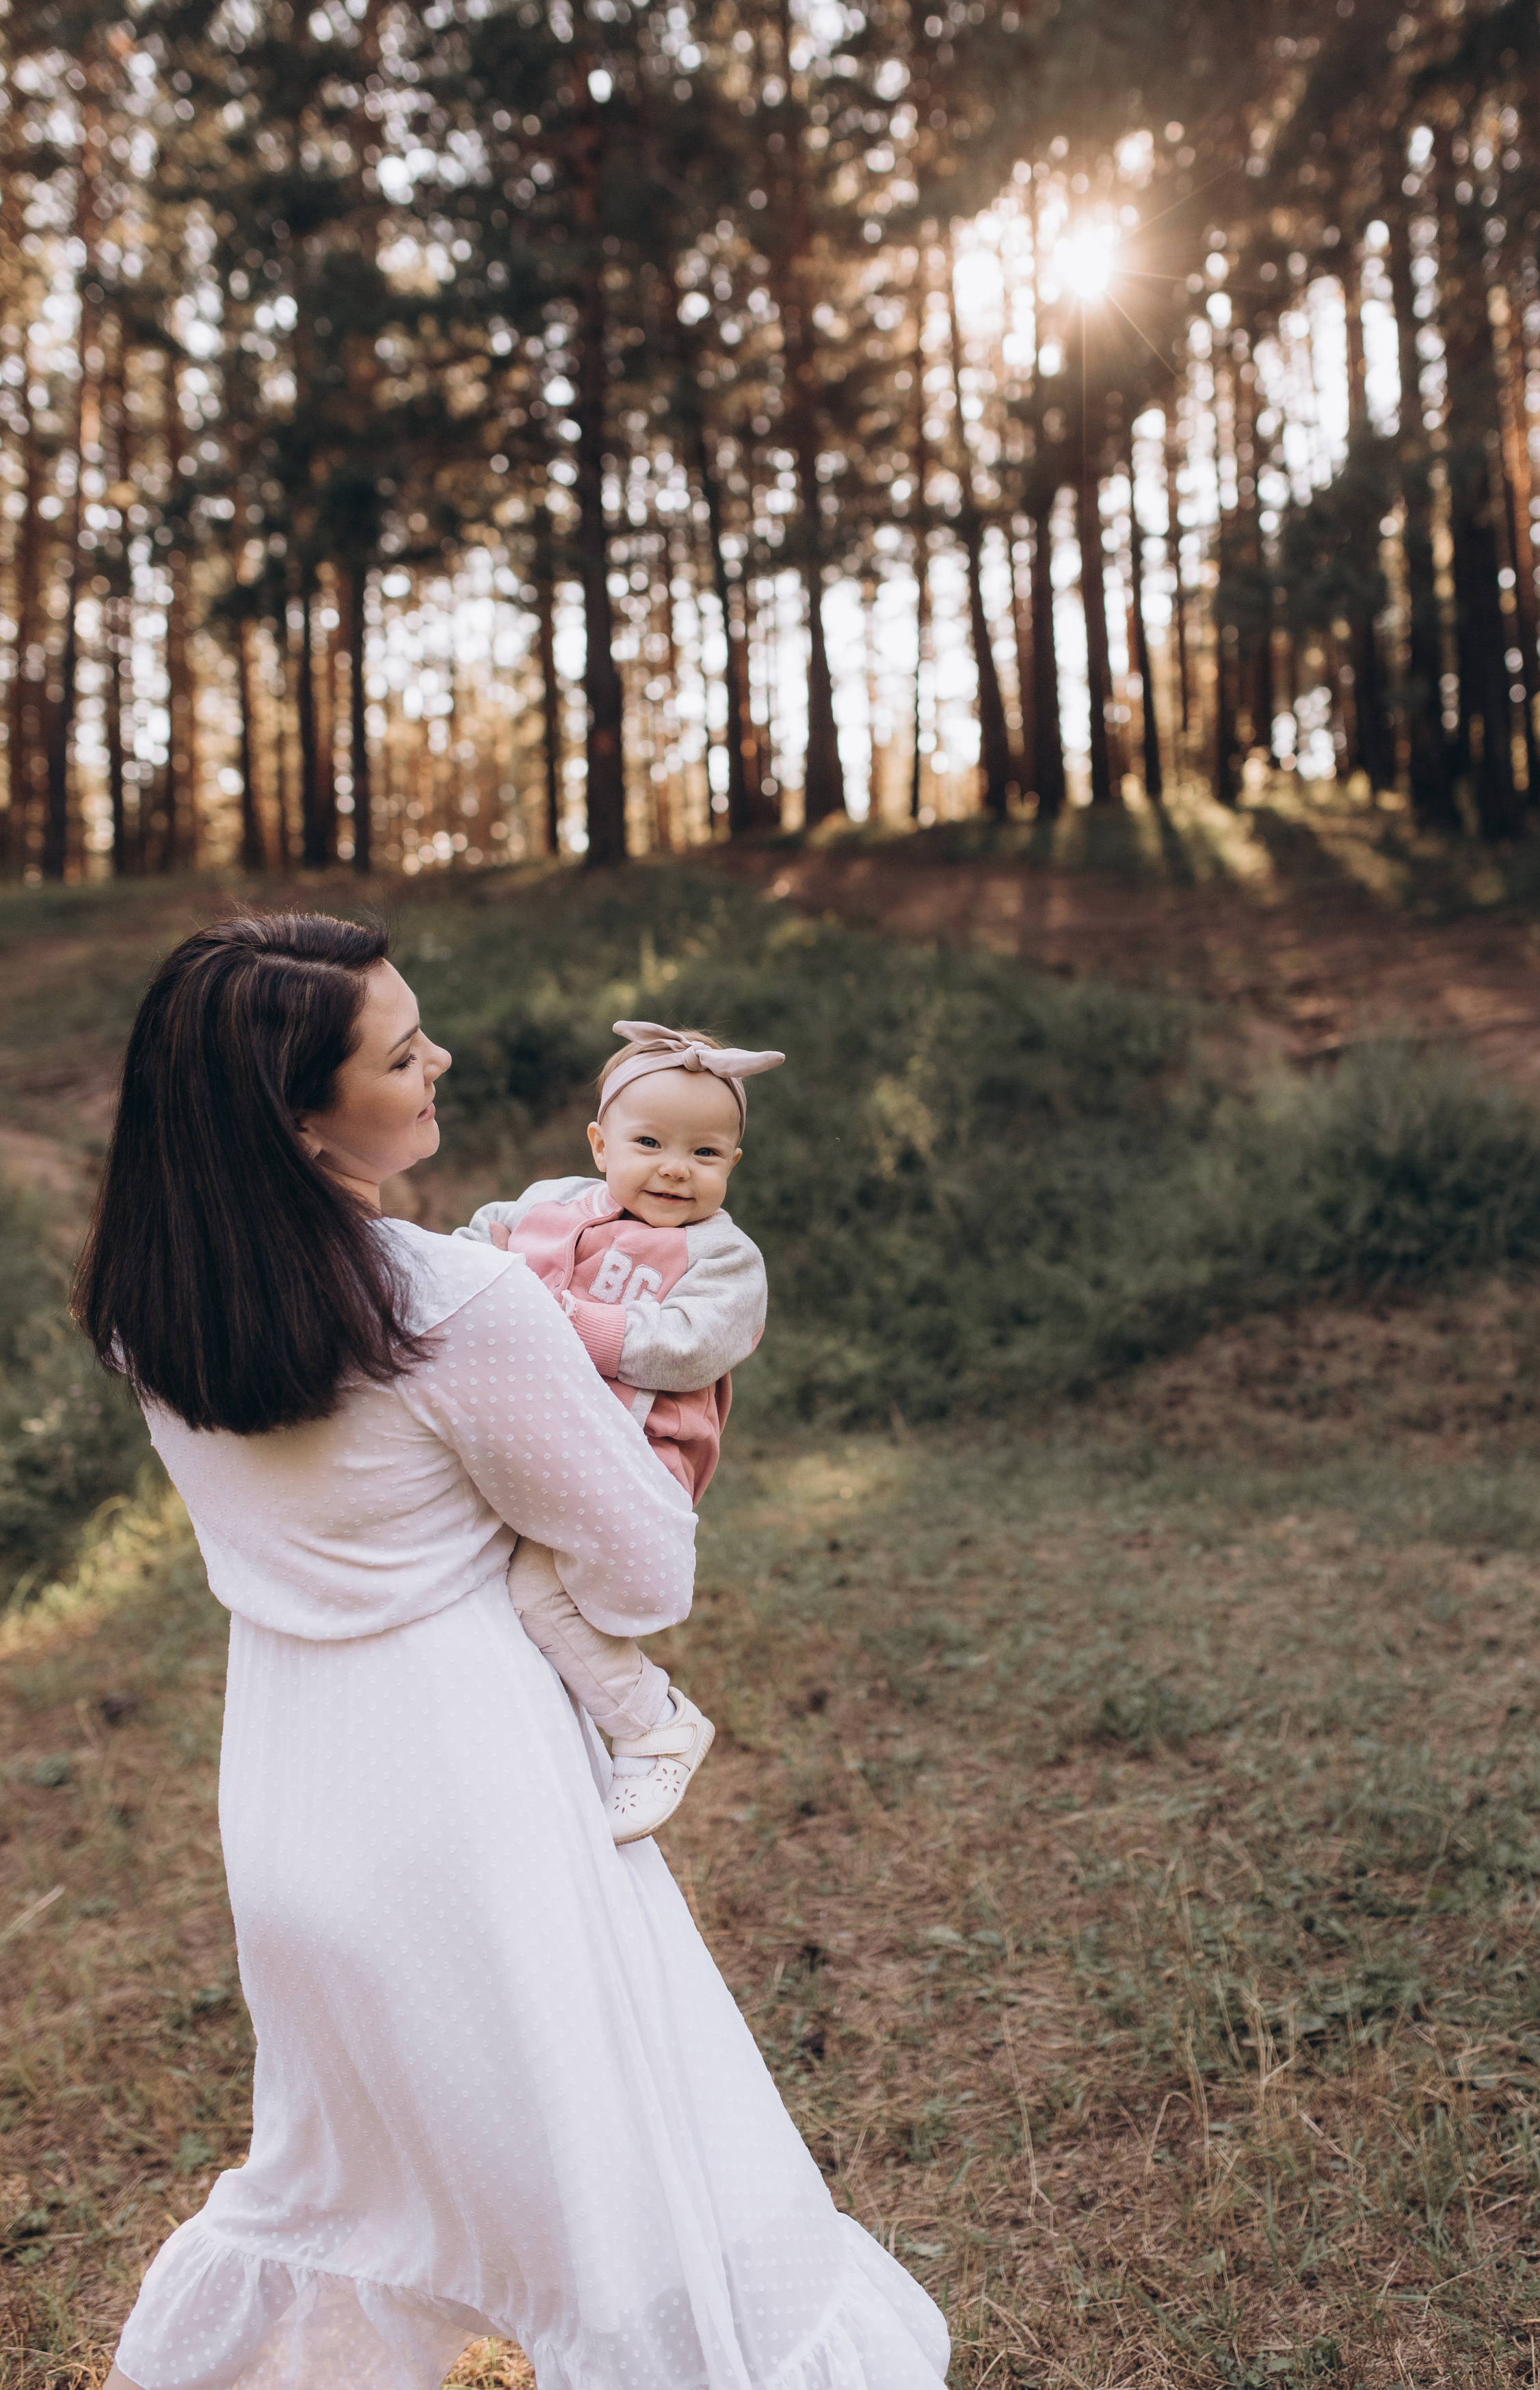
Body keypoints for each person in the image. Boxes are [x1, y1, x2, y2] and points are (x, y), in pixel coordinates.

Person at [73, 912, 949, 2390]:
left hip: (289, 1784)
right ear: (297, 1114)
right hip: (473, 1781)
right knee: (603, 2179)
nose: (442, 1059)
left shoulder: (151, 1307)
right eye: (403, 1050)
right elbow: (641, 1565)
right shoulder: (455, 1302)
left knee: (343, 2158)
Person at [457, 1020, 784, 1846]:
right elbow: (462, 1264)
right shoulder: (539, 1208)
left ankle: (654, 1723)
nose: (677, 1167)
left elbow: (689, 1345)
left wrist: (562, 1320)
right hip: (527, 1444)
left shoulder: (721, 1257)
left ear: (732, 1167)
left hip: (632, 1460)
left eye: (706, 1154)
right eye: (650, 1142)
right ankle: (503, 1746)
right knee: (463, 1570)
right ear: (601, 1143)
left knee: (539, 1590)